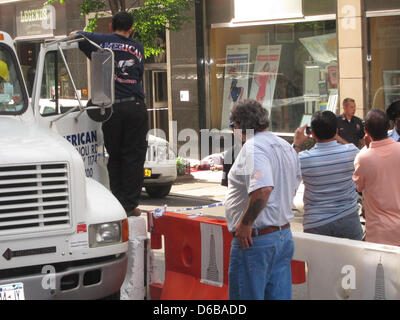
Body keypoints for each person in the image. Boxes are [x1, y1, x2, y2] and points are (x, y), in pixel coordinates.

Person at [225, 99, 301, 300]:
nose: (233, 131)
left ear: (240, 125)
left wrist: (245, 223)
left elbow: (263, 189)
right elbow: (292, 187)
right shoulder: (284, 146)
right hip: (282, 236)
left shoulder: (253, 147)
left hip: (256, 241)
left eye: (233, 126)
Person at [73, 11, 148, 217]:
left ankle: (117, 201)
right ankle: (130, 204)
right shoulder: (138, 47)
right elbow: (139, 74)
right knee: (134, 156)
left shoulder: (100, 41)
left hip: (111, 108)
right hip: (135, 106)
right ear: (131, 29)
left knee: (114, 155)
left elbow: (76, 35)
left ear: (110, 26)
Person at [293, 111, 363, 240]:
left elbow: (287, 168)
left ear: (312, 133)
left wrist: (297, 143)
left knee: (319, 261)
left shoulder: (303, 159)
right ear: (336, 131)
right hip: (348, 218)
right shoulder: (351, 152)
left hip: (316, 222)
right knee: (352, 260)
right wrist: (337, 137)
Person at [353, 109, 400, 246]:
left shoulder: (363, 157)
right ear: (389, 127)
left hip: (379, 231)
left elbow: (359, 186)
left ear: (366, 131)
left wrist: (369, 148)